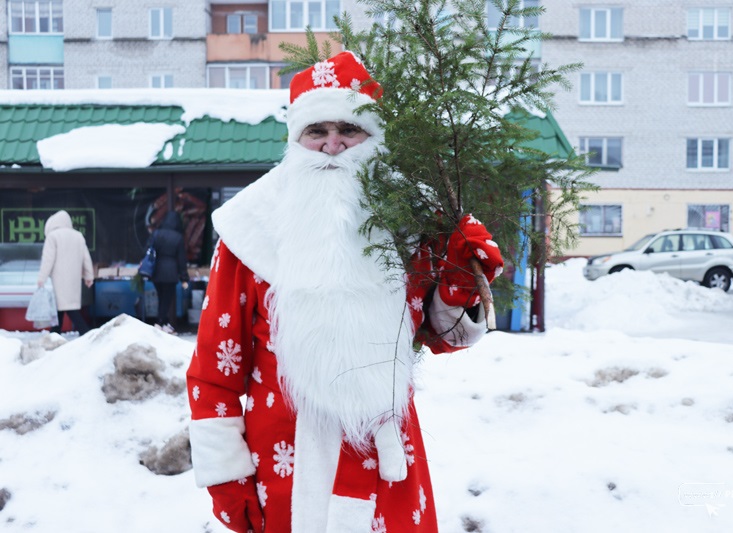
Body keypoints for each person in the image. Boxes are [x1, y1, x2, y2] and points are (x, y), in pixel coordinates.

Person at [186, 51, 503, 533]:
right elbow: (216, 366)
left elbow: (441, 336)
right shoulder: (249, 230)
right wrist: (226, 476)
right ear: (297, 139)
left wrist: (461, 281)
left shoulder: (411, 218)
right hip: (286, 464)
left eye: (348, 130)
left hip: (385, 463)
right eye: (317, 131)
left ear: (372, 138)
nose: (332, 145)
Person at [36, 210, 94, 335]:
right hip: (73, 280)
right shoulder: (78, 235)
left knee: (67, 309)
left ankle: (87, 334)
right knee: (63, 309)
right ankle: (55, 335)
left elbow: (48, 260)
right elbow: (86, 258)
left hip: (59, 280)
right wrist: (89, 276)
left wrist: (42, 278)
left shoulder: (53, 237)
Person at [147, 210, 189, 334]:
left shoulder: (156, 234)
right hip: (171, 272)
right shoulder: (178, 237)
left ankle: (164, 323)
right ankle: (159, 323)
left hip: (156, 271)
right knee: (166, 299)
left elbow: (148, 250)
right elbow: (182, 260)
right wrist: (184, 278)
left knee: (161, 297)